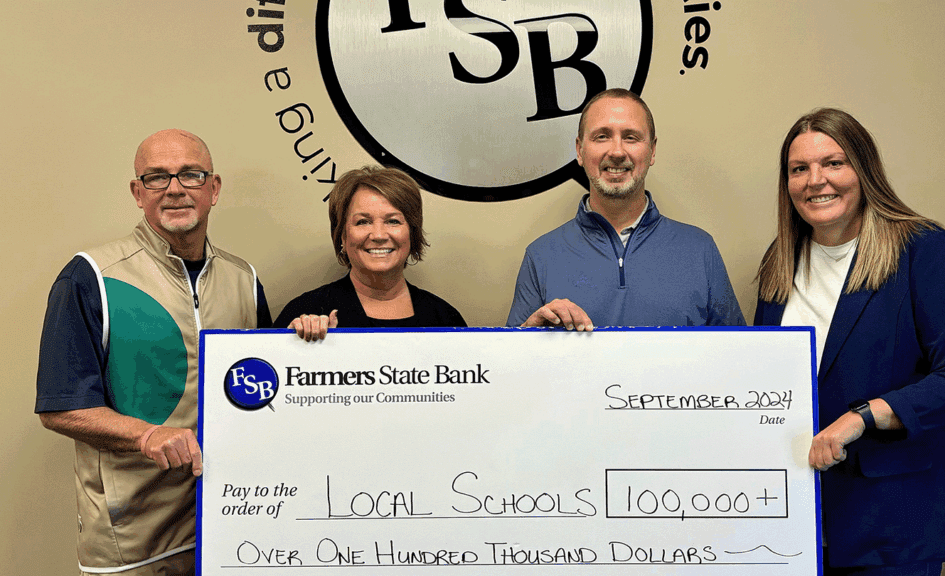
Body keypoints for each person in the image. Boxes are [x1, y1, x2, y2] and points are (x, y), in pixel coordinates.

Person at [754, 108, 945, 575]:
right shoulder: (779, 261)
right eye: (799, 169)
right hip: (799, 522)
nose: (815, 180)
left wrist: (862, 418)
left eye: (834, 163)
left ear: (864, 169)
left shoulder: (922, 248)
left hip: (893, 525)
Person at [35, 129, 273, 575]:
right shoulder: (92, 277)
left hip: (234, 531)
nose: (176, 189)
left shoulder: (245, 279)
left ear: (214, 188)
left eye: (191, 175)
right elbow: (60, 407)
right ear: (137, 192)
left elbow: (268, 397)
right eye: (157, 178)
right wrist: (147, 435)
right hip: (133, 542)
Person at [506, 88, 744, 329]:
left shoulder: (701, 250)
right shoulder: (540, 256)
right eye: (601, 137)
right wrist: (528, 341)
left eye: (631, 137)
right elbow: (514, 364)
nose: (617, 152)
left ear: (652, 150)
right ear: (580, 151)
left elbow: (737, 358)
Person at [274, 165, 466, 338]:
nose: (379, 235)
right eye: (363, 222)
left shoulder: (446, 319)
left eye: (393, 221)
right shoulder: (305, 313)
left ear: (412, 233)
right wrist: (292, 344)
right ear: (342, 235)